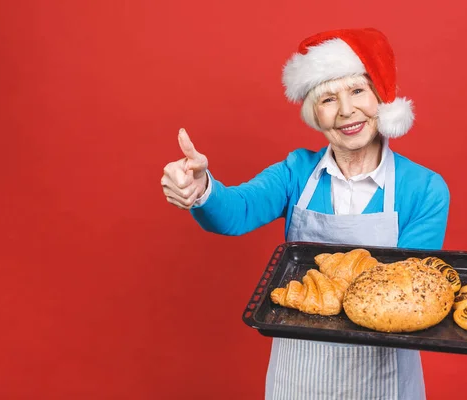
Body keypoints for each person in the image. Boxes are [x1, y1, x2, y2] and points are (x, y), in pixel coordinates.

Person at [161, 27, 450, 400]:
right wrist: (200, 188)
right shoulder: (295, 173)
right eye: (328, 98)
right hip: (299, 376)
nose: (346, 111)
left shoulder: (424, 189)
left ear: (382, 98)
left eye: (358, 91)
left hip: (383, 374)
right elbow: (236, 211)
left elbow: (410, 292)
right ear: (315, 112)